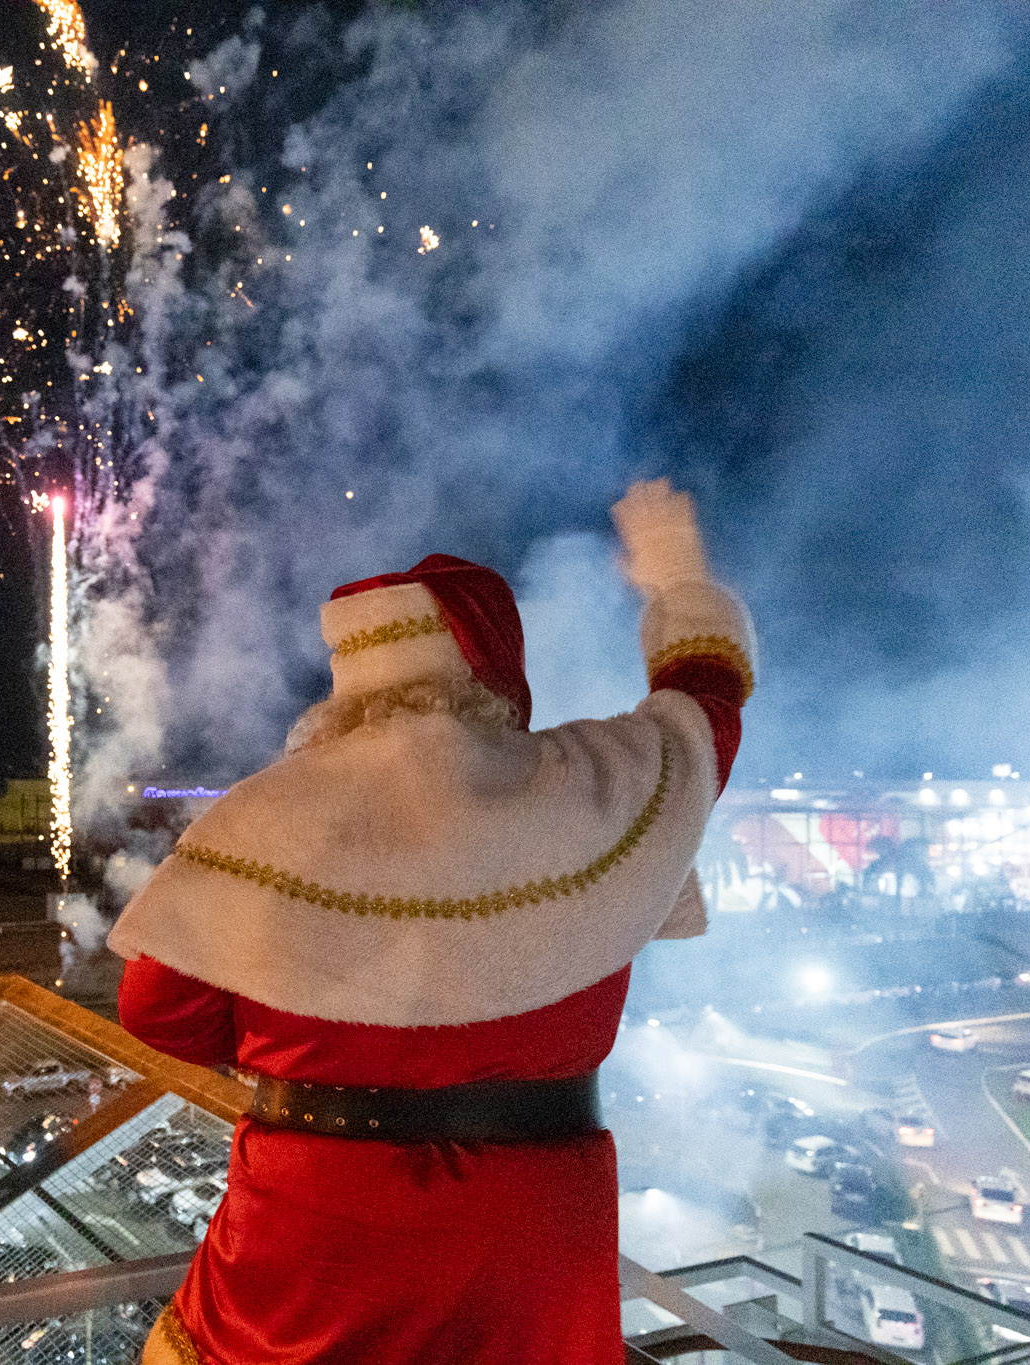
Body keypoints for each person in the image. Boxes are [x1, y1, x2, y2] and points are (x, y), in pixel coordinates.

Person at [110, 479, 754, 1363]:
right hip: (529, 1247)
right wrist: (676, 578)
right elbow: (704, 707)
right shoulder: (587, 787)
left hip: (315, 1241)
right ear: (496, 668)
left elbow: (157, 1010)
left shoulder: (263, 817)